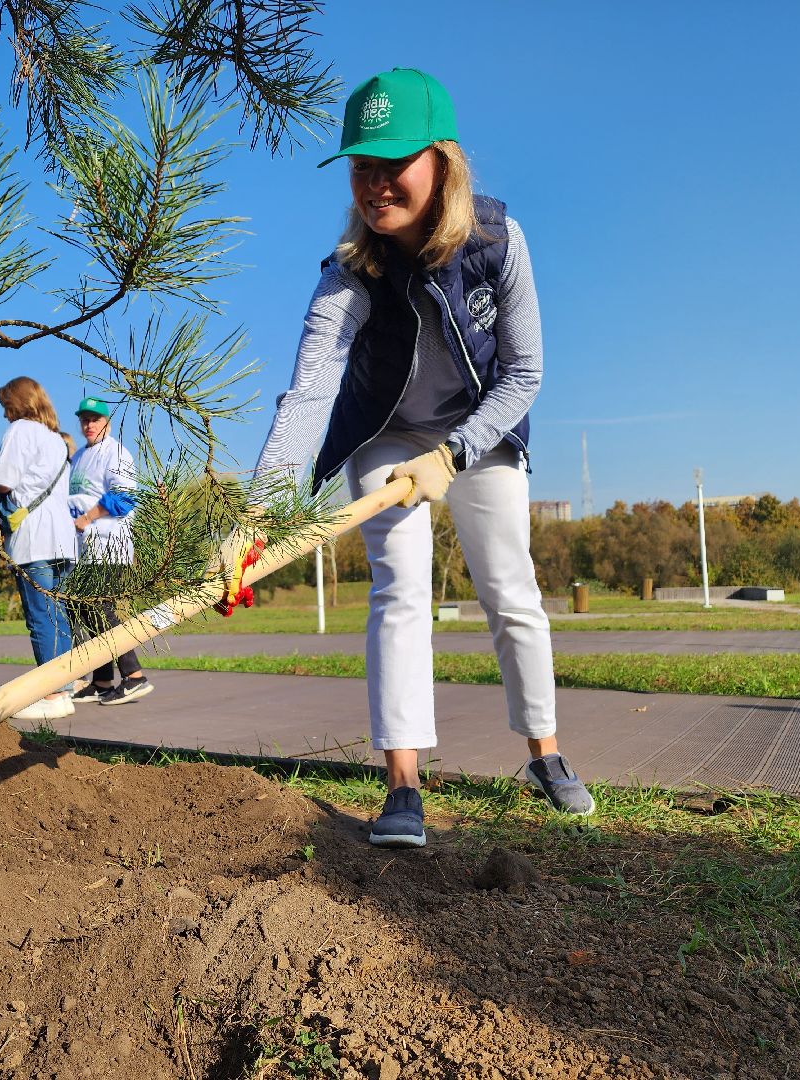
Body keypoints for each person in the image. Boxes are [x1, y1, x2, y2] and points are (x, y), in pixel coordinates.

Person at [254, 68, 595, 848]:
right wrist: (258, 514)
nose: (376, 184)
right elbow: (307, 396)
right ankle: (403, 783)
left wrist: (458, 451)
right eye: (362, 167)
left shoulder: (497, 242)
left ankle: (544, 751)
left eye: (393, 163)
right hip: (386, 436)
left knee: (510, 587)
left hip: (480, 428)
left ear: (442, 161)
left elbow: (525, 372)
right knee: (399, 588)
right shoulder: (350, 273)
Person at [0, 377, 77, 721]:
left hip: (33, 538)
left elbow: (4, 480)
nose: (5, 413)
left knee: (41, 615)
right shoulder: (55, 439)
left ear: (17, 403)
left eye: (6, 405)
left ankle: (52, 693)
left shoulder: (21, 430)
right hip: (62, 539)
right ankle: (66, 686)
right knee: (58, 615)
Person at [66, 396, 153, 705]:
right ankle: (102, 680)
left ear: (107, 422)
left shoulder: (115, 452)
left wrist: (88, 517)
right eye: (84, 419)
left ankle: (134, 677)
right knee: (86, 611)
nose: (88, 424)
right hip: (85, 547)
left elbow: (126, 496)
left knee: (103, 611)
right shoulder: (79, 457)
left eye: (95, 419)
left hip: (109, 545)